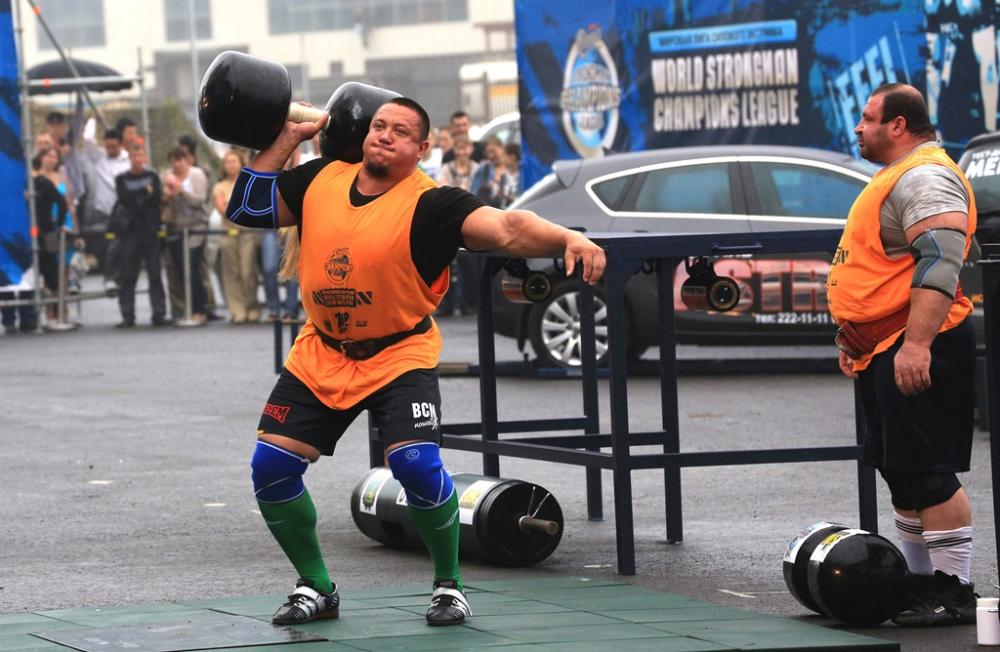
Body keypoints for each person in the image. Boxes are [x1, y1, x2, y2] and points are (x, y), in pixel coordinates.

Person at [225, 96, 604, 627]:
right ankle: (316, 586)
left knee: (415, 466)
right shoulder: (321, 179)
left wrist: (566, 237)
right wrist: (289, 137)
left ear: (422, 148)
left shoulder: (434, 204)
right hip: (323, 351)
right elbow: (245, 208)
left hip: (398, 353)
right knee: (271, 467)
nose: (384, 135)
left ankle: (449, 586)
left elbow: (507, 229)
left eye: (400, 132)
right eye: (379, 126)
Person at [828, 82, 978, 627]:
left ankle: (954, 591)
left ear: (898, 125)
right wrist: (856, 339)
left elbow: (941, 259)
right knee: (901, 470)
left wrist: (917, 345)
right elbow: (884, 272)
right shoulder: (897, 176)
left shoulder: (925, 175)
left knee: (929, 470)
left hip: (920, 343)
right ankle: (919, 583)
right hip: (887, 346)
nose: (858, 127)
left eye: (868, 118)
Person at [113, 144, 167, 328]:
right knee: (128, 275)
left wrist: (140, 197)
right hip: (130, 232)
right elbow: (125, 199)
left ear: (145, 158)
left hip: (150, 230)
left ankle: (159, 313)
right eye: (134, 156)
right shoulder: (121, 178)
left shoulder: (152, 176)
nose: (138, 159)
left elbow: (156, 198)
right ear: (130, 158)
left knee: (155, 273)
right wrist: (145, 192)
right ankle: (127, 315)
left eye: (140, 155)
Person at [162, 146, 210, 322]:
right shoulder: (166, 175)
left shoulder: (197, 174)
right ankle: (185, 308)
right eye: (173, 161)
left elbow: (200, 200)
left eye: (180, 160)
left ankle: (199, 309)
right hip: (176, 228)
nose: (176, 164)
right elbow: (161, 201)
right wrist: (167, 195)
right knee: (179, 270)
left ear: (186, 160)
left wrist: (182, 191)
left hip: (196, 227)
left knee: (193, 268)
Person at [82, 120, 131, 293]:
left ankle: (119, 278)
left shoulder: (128, 161)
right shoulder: (99, 158)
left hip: (124, 211)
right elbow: (87, 139)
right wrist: (92, 121)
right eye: (107, 146)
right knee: (111, 245)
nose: (110, 150)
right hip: (105, 212)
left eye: (113, 147)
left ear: (120, 144)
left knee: (121, 246)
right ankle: (110, 277)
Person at [214, 149, 261, 323]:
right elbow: (222, 209)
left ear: (241, 163)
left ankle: (252, 307)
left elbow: (251, 206)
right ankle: (237, 310)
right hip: (227, 233)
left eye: (234, 161)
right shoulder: (219, 186)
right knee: (230, 272)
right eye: (228, 162)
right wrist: (237, 206)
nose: (231, 165)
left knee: (248, 271)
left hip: (247, 232)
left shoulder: (247, 183)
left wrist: (231, 205)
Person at [177, 135, 222, 321]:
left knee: (201, 267)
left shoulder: (201, 170)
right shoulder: (175, 171)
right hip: (184, 224)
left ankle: (206, 306)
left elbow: (203, 197)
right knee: (195, 267)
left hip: (200, 222)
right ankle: (197, 306)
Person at [435, 134, 479, 316]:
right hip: (451, 219)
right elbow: (442, 189)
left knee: (470, 265)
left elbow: (479, 191)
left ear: (471, 149)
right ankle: (446, 303)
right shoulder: (446, 169)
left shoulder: (478, 169)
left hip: (473, 219)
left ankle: (469, 303)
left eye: (465, 148)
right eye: (459, 148)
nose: (462, 152)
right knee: (446, 262)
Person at [468, 136, 511, 208]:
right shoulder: (484, 168)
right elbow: (474, 192)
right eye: (488, 153)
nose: (491, 155)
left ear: (502, 148)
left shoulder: (512, 168)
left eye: (493, 151)